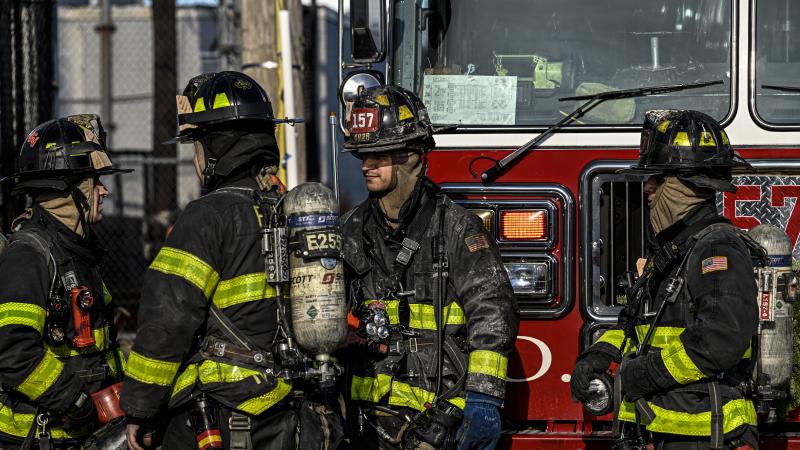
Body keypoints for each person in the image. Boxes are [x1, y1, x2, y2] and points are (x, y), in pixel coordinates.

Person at [121, 71, 342, 450]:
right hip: (301, 411)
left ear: (217, 148)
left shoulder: (207, 216)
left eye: (197, 147)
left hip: (229, 414)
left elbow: (167, 320)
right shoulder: (293, 210)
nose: (195, 160)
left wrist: (141, 408)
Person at [340, 84, 520, 450]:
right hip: (367, 418)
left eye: (379, 155)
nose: (366, 166)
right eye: (363, 155)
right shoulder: (349, 231)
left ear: (411, 158)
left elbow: (493, 311)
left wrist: (484, 398)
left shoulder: (455, 228)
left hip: (438, 416)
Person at [570, 110, 759, 449]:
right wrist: (598, 357)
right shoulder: (674, 252)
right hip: (663, 432)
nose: (648, 188)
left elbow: (720, 341)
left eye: (658, 177)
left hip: (706, 435)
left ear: (687, 183)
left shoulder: (718, 248)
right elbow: (638, 328)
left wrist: (639, 375)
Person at [0, 114, 130, 449]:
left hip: (81, 435)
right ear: (70, 189)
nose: (105, 191)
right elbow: (13, 350)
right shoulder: (29, 255)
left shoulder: (76, 253)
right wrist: (76, 401)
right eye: (94, 181)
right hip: (38, 438)